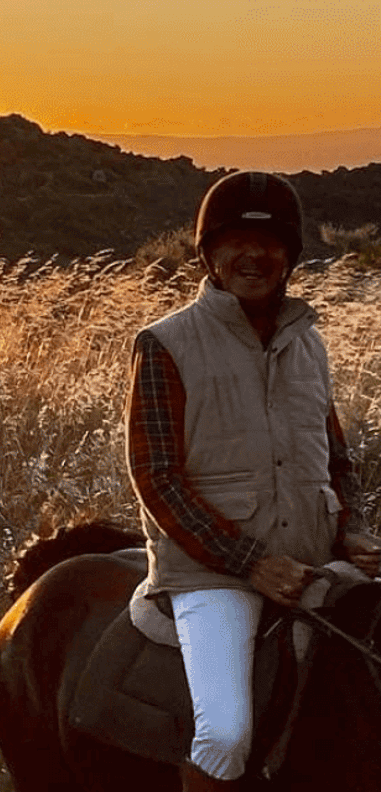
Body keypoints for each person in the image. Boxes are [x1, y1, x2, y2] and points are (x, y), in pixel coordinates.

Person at [126, 170, 381, 791]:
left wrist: (353, 533)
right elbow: (156, 477)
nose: (254, 255)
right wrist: (251, 563)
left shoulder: (310, 343)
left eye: (270, 244)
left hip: (315, 562)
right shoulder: (165, 343)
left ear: (290, 255)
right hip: (213, 575)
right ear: (209, 252)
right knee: (225, 733)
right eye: (236, 240)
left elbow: (335, 461)